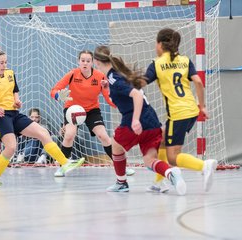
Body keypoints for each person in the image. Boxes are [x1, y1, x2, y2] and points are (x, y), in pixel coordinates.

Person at [0, 47, 84, 186]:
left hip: (14, 113)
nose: (5, 65)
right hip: (1, 116)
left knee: (43, 132)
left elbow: (15, 90)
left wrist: (17, 100)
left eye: (6, 62)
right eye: (1, 63)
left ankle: (64, 163)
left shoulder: (10, 73)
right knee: (11, 147)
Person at [93, 45, 186, 195]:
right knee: (150, 160)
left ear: (96, 62)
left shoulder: (114, 78)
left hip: (135, 119)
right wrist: (108, 87)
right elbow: (124, 94)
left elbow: (136, 95)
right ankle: (171, 174)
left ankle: (121, 183)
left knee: (115, 144)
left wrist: (135, 120)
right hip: (152, 120)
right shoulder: (118, 75)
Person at [144, 28, 217, 192]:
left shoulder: (157, 64)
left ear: (160, 44)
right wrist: (202, 106)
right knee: (162, 140)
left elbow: (141, 82)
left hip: (177, 114)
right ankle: (159, 182)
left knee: (173, 156)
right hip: (191, 110)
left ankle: (204, 166)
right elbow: (198, 82)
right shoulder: (185, 60)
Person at [50, 50, 135, 177]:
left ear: (92, 63)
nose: (85, 63)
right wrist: (58, 95)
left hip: (92, 110)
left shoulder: (100, 76)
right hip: (73, 109)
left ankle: (121, 167)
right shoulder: (72, 74)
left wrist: (122, 103)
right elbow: (54, 90)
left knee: (104, 136)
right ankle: (63, 167)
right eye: (82, 60)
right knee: (69, 135)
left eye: (88, 61)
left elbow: (108, 98)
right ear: (78, 62)